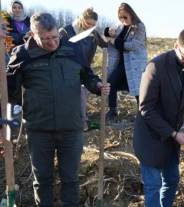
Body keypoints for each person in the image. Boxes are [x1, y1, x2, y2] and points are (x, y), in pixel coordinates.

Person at [6, 12, 110, 206]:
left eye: (55, 37)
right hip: (39, 130)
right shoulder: (23, 54)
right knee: (43, 180)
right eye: (45, 39)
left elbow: (87, 75)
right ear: (33, 34)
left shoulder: (72, 49)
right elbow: (9, 92)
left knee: (70, 179)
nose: (52, 42)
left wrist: (97, 86)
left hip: (71, 128)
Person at [133, 28, 184, 207]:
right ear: (176, 46)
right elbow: (146, 108)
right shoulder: (156, 67)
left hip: (173, 137)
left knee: (172, 179)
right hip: (150, 135)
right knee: (153, 185)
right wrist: (173, 134)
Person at [59, 7, 107, 131]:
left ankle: (82, 122)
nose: (90, 26)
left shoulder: (93, 33)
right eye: (88, 23)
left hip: (85, 69)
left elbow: (106, 45)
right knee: (74, 95)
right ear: (81, 19)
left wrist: (110, 35)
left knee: (82, 94)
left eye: (93, 25)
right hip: (67, 69)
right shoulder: (66, 31)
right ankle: (78, 122)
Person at [104, 2, 147, 122]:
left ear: (131, 14)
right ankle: (112, 111)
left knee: (138, 89)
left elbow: (133, 45)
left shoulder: (140, 27)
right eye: (120, 17)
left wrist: (113, 41)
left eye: (125, 17)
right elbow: (108, 33)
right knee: (111, 83)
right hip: (122, 64)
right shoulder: (120, 27)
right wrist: (108, 31)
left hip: (134, 64)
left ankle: (142, 113)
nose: (123, 20)